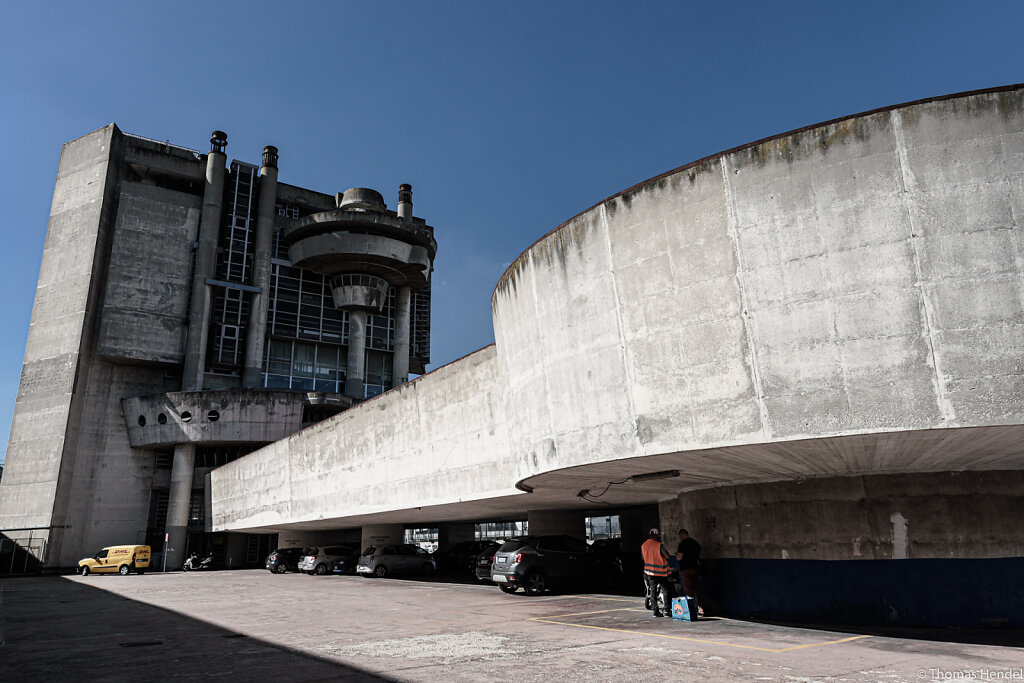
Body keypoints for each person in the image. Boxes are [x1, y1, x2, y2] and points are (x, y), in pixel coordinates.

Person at [641, 528, 673, 618]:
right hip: (661, 572)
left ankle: (655, 611)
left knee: (652, 591)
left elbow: (643, 558)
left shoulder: (644, 545)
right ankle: (667, 610)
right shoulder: (659, 545)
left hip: (650, 572)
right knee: (666, 590)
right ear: (656, 535)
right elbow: (667, 556)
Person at [676, 528, 705, 616]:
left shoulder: (682, 544)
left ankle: (692, 610)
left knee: (689, 590)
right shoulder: (695, 543)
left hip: (686, 569)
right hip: (695, 568)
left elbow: (680, 557)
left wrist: (677, 556)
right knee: (698, 590)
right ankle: (701, 609)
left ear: (681, 535)